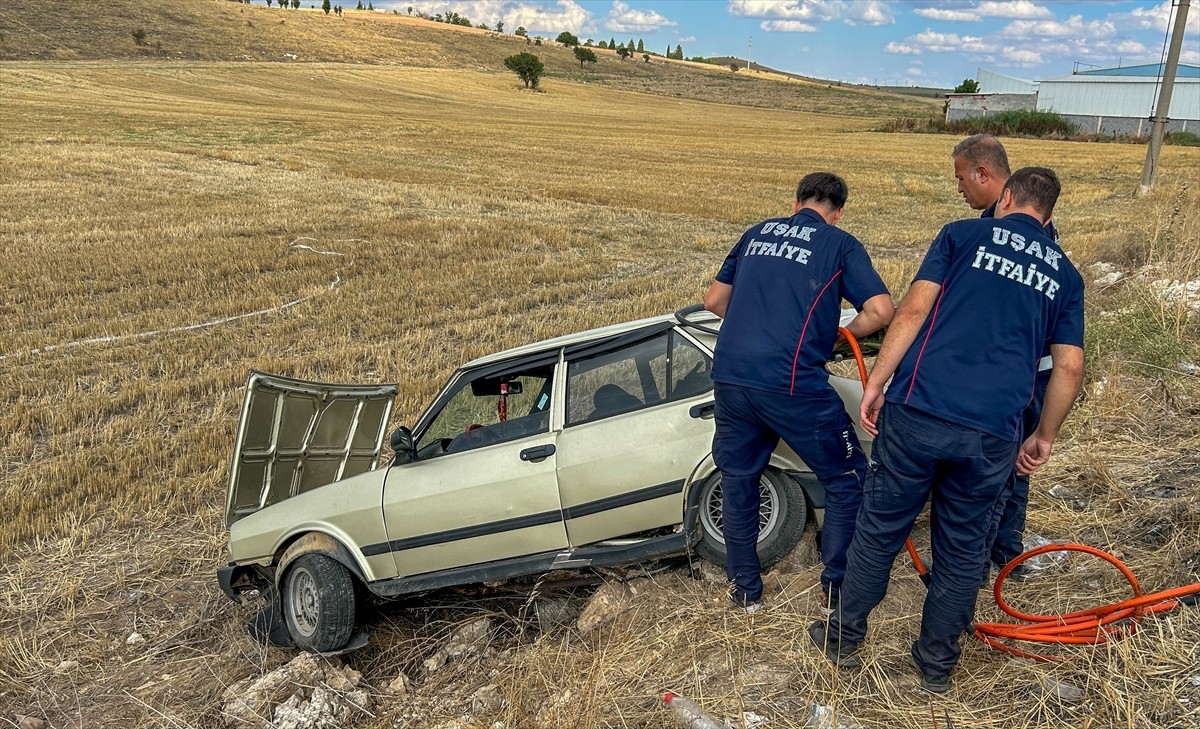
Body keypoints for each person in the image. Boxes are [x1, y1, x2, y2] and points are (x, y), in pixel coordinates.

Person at [808, 167, 1085, 692]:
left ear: (1004, 197)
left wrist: (876, 383)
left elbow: (912, 310)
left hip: (920, 410)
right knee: (962, 551)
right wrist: (1043, 435)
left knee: (879, 529)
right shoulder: (1066, 276)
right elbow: (1068, 367)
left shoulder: (962, 234)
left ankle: (843, 638)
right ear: (1049, 216)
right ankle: (935, 666)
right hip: (993, 433)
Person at [703, 172, 894, 611]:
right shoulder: (839, 244)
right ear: (838, 212)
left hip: (731, 378)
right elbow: (881, 310)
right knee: (847, 479)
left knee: (739, 481)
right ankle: (837, 590)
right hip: (791, 383)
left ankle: (745, 592)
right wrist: (834, 337)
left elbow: (714, 302)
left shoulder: (756, 234)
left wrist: (756, 326)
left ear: (796, 202)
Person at [952, 134, 1060, 583]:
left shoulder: (1030, 232)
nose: (958, 188)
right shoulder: (988, 219)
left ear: (985, 175)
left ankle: (1002, 553)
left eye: (961, 178)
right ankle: (981, 547)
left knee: (1012, 460)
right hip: (1001, 369)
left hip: (1023, 373)